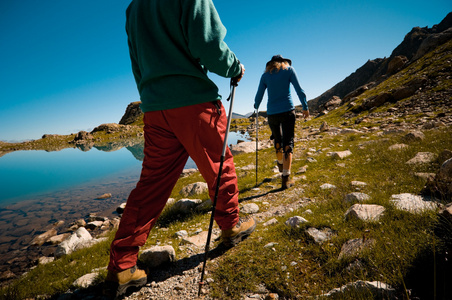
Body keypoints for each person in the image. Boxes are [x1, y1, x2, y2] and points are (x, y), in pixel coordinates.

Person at [104, 0, 256, 297]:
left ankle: (122, 264)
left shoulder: (134, 8)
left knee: (151, 185)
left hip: (155, 108)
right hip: (194, 101)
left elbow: (137, 63)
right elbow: (208, 44)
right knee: (218, 165)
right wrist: (234, 67)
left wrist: (152, 97)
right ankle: (230, 226)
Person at [254, 55, 309, 190]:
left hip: (272, 113)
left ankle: (280, 162)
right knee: (288, 143)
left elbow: (259, 95)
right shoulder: (289, 70)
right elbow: (299, 89)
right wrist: (305, 106)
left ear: (271, 64)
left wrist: (256, 105)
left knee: (278, 141)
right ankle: (286, 179)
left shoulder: (265, 75)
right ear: (283, 61)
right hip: (288, 111)